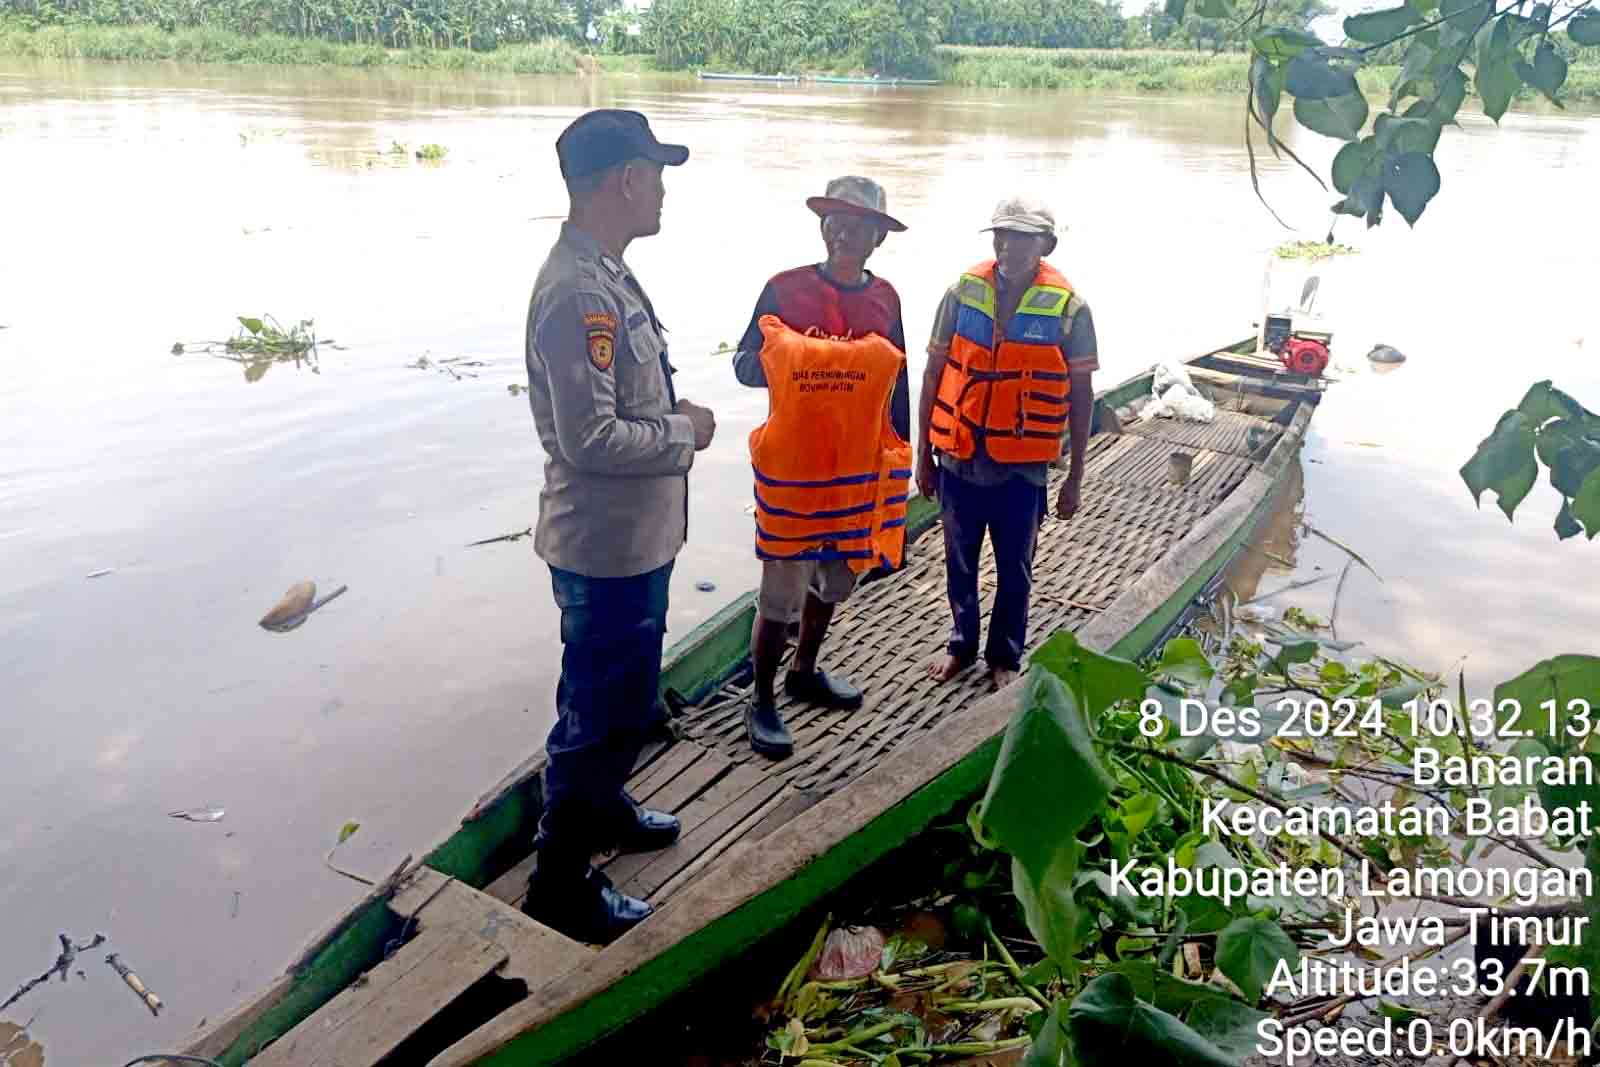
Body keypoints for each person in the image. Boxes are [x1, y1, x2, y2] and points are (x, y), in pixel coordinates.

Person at [520, 109, 717, 944]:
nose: (664, 191)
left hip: (633, 543)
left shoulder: (604, 273)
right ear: (627, 180)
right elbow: (590, 439)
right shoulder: (577, 292)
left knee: (619, 698)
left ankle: (604, 807)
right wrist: (683, 431)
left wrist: (668, 421)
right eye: (657, 175)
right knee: (600, 713)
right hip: (604, 552)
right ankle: (560, 883)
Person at [732, 176, 912, 759]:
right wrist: (796, 362)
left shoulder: (886, 299)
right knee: (779, 594)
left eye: (859, 225)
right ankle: (761, 699)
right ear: (822, 226)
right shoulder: (783, 290)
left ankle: (804, 672)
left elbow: (898, 384)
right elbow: (743, 364)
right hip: (796, 473)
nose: (844, 233)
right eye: (835, 221)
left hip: (856, 475)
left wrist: (904, 462)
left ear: (878, 237)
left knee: (834, 580)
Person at [916, 197, 1098, 692]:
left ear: (1046, 246)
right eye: (1001, 235)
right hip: (959, 457)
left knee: (1015, 568)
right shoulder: (961, 293)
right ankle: (960, 646)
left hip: (1022, 468)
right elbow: (933, 373)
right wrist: (922, 457)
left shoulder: (1071, 309)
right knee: (959, 562)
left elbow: (1082, 395)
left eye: (1021, 237)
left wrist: (1075, 477)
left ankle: (1004, 656)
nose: (1007, 246)